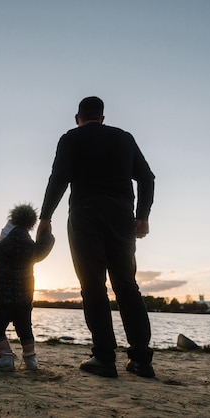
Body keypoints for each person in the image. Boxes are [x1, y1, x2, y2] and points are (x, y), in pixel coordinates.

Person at [37, 96, 156, 378]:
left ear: (78, 117)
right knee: (127, 286)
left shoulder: (71, 138)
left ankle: (104, 358)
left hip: (85, 215)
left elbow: (58, 178)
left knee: (93, 286)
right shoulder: (124, 138)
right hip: (122, 217)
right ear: (102, 117)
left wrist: (45, 217)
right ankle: (141, 360)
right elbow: (147, 177)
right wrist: (143, 216)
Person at [0, 203, 55, 371]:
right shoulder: (32, 250)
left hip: (1, 299)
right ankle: (31, 360)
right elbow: (45, 245)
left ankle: (6, 356)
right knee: (25, 330)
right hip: (23, 300)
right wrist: (47, 233)